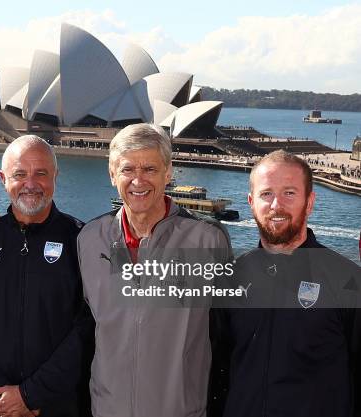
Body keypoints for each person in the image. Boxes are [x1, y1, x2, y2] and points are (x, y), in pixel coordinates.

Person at [77, 123, 232, 417]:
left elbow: (225, 333)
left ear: (168, 172)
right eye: (127, 170)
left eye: (149, 169)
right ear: (112, 175)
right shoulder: (89, 239)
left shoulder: (207, 240)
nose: (138, 180)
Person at [211, 150, 361, 417]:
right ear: (251, 202)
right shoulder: (230, 278)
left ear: (310, 202)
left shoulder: (348, 281)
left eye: (289, 193)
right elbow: (217, 370)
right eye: (266, 194)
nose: (276, 205)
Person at [0, 135, 92, 417]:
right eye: (20, 174)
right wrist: (3, 394)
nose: (30, 184)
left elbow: (87, 329)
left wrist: (31, 395)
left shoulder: (82, 240)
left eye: (41, 173)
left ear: (55, 176)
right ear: (3, 178)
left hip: (56, 406)